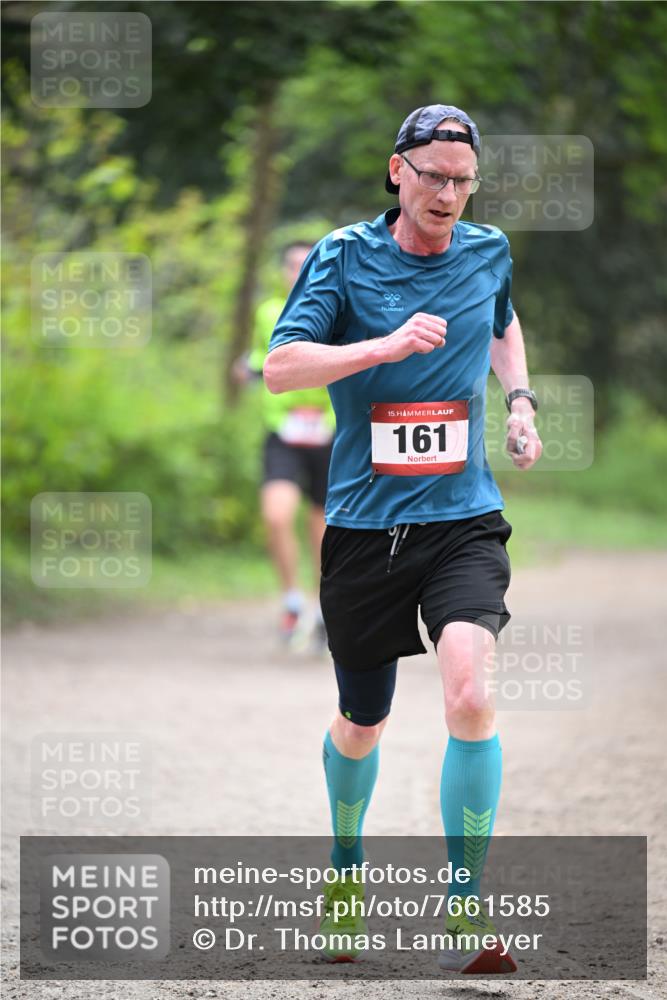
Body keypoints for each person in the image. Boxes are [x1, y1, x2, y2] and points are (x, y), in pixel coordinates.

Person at [264, 105, 542, 973]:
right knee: (361, 720)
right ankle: (345, 879)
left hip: (461, 519)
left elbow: (501, 321)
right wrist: (379, 345)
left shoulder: (488, 250)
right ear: (397, 172)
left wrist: (520, 403)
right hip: (361, 527)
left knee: (469, 695)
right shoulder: (343, 257)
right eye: (433, 177)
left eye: (462, 180)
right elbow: (280, 368)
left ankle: (465, 903)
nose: (448, 194)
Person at [235, 241, 334, 645]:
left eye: (306, 264)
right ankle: (292, 599)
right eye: (292, 264)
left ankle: (325, 606)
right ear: (283, 272)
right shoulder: (267, 312)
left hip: (330, 431)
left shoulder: (338, 309)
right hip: (283, 432)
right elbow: (265, 359)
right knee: (276, 516)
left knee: (323, 531)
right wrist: (247, 368)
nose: (299, 271)